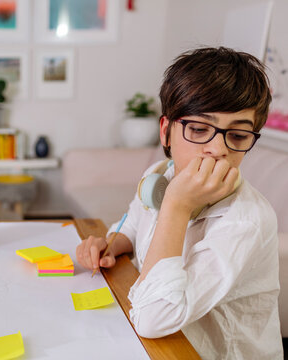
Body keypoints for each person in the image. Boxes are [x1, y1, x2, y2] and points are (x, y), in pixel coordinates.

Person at [76, 47, 283, 359]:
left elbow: (152, 319)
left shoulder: (245, 221)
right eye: (199, 129)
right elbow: (133, 225)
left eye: (238, 135)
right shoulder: (160, 174)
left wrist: (176, 206)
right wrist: (112, 244)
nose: (217, 149)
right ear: (165, 132)